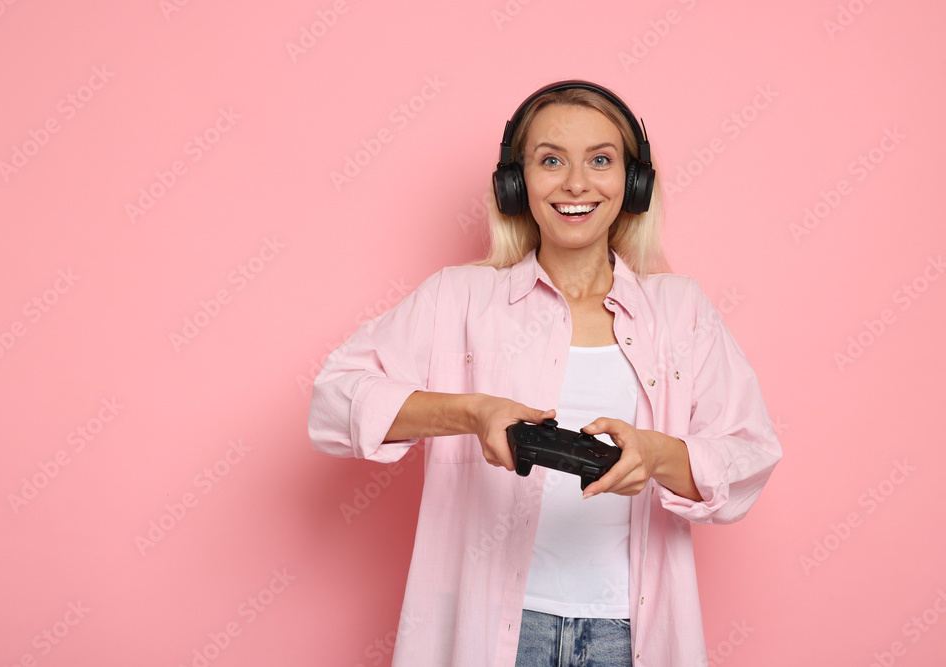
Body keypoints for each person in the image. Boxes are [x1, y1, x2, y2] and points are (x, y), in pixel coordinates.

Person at [308, 80, 782, 667]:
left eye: (601, 161)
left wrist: (658, 455)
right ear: (515, 183)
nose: (576, 184)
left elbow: (749, 454)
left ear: (633, 184)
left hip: (626, 635)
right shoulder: (457, 299)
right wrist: (470, 411)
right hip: (493, 633)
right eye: (550, 160)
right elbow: (334, 401)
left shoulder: (681, 311)